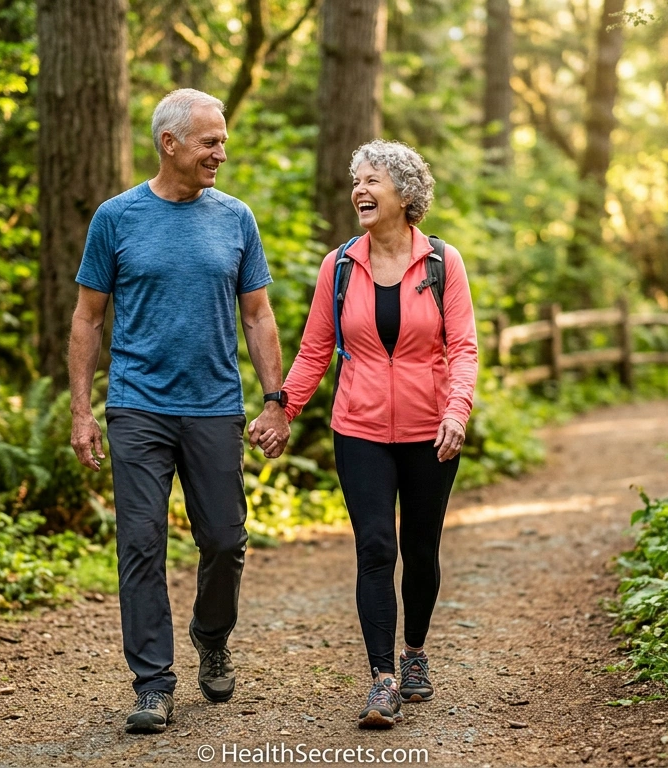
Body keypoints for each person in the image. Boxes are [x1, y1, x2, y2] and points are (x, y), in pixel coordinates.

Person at [68, 88, 291, 735]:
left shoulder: (236, 218)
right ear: (170, 144)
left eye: (222, 140)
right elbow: (87, 317)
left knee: (225, 540)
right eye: (211, 141)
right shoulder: (116, 218)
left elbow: (258, 314)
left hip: (215, 405)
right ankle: (153, 684)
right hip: (137, 405)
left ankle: (211, 634)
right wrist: (83, 412)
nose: (222, 151)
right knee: (140, 543)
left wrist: (276, 400)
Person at [275, 139, 478, 729]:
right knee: (374, 548)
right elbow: (315, 350)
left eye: (373, 181)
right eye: (356, 180)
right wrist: (281, 412)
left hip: (429, 428)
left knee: (420, 549)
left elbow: (462, 347)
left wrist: (456, 411)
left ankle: (415, 651)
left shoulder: (443, 263)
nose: (359, 190)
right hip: (359, 428)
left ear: (405, 194)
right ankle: (382, 678)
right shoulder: (338, 266)